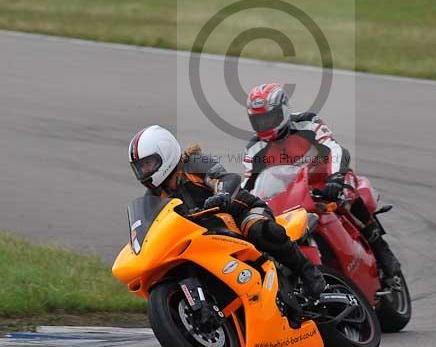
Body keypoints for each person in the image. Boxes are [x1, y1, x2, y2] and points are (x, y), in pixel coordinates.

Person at [128, 125, 325, 298]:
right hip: (204, 235)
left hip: (239, 212)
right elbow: (151, 228)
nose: (144, 171)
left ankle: (308, 272)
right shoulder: (154, 197)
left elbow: (225, 177)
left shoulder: (192, 162)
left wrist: (222, 194)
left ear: (165, 152)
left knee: (259, 229)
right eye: (140, 167)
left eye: (148, 164)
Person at [243, 83, 401, 279]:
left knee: (347, 194)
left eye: (268, 118)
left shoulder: (307, 123)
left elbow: (335, 149)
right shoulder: (254, 148)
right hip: (292, 196)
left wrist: (336, 177)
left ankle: (380, 247)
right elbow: (248, 184)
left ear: (283, 111)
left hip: (326, 181)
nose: (264, 124)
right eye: (258, 120)